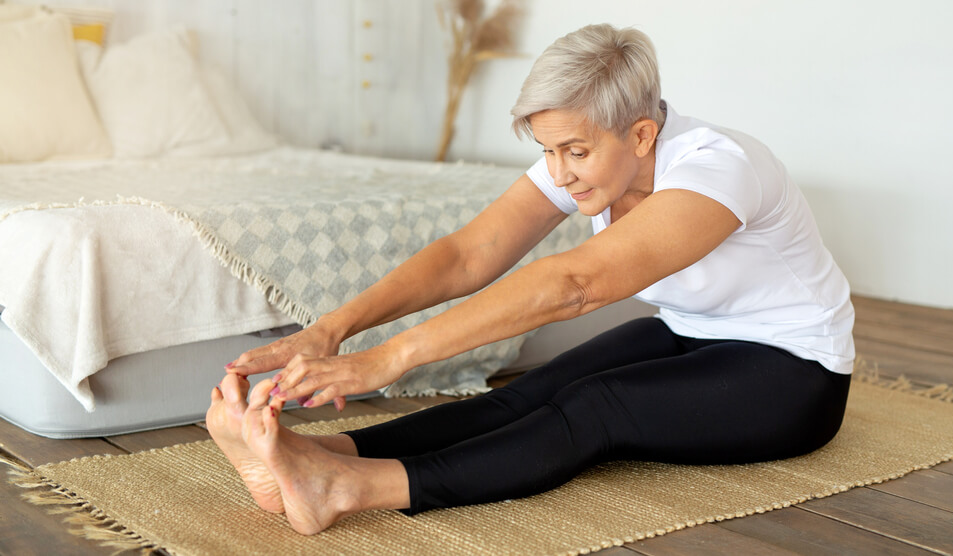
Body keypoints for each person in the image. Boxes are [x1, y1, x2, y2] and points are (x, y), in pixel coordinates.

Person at [207, 23, 855, 535]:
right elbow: (467, 255)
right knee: (523, 395)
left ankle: (348, 490)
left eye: (574, 151)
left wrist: (389, 360)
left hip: (796, 373)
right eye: (547, 150)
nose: (560, 172)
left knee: (594, 408)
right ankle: (319, 458)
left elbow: (575, 283)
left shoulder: (718, 170)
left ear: (642, 133)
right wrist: (332, 331)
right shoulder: (590, 155)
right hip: (693, 335)